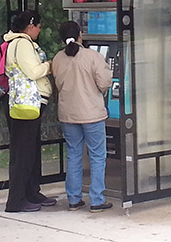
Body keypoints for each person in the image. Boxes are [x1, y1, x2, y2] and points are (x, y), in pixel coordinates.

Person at [51, 21, 114, 213]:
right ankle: (96, 200)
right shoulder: (92, 56)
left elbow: (57, 85)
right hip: (92, 114)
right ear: (80, 35)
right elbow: (105, 82)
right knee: (97, 156)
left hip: (68, 114)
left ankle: (74, 199)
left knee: (74, 155)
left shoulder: (57, 59)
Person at [4, 11, 56, 213]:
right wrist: (49, 65)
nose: (40, 30)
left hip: (30, 102)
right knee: (24, 153)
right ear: (31, 25)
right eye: (39, 26)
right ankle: (16, 200)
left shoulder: (17, 43)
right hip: (28, 103)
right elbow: (33, 71)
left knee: (30, 150)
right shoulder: (22, 44)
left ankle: (31, 191)